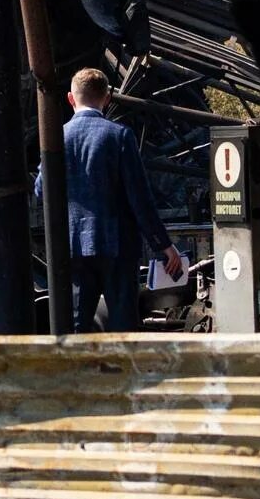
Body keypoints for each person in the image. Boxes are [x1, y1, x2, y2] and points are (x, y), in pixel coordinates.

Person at [55, 68, 186, 331]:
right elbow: (140, 198)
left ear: (71, 98)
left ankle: (77, 369)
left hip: (74, 245)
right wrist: (163, 244)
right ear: (108, 98)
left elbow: (41, 190)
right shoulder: (119, 136)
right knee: (123, 325)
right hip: (118, 245)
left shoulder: (58, 136)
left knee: (77, 325)